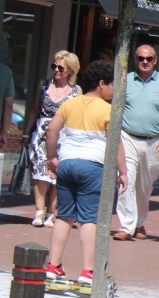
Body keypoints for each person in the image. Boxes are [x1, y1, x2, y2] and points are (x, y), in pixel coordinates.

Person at [42, 60, 127, 285]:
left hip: (67, 164)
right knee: (89, 218)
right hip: (92, 166)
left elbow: (52, 129)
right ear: (101, 84)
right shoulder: (108, 110)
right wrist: (123, 171)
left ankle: (53, 266)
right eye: (112, 85)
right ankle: (88, 271)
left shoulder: (71, 103)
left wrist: (52, 158)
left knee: (64, 215)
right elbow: (115, 142)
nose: (114, 90)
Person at [113, 44, 159, 241]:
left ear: (155, 60)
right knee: (126, 180)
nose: (145, 62)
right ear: (135, 59)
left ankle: (139, 223)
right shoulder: (126, 80)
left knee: (144, 185)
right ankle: (126, 225)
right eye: (141, 58)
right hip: (128, 137)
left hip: (153, 141)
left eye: (149, 58)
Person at [23, 51, 81, 227]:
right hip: (41, 134)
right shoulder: (44, 85)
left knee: (57, 176)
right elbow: (34, 110)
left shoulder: (76, 91)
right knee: (40, 174)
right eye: (53, 66)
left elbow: (77, 118)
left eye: (60, 67)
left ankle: (52, 213)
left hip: (63, 136)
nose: (56, 70)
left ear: (70, 70)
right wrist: (26, 133)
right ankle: (39, 212)